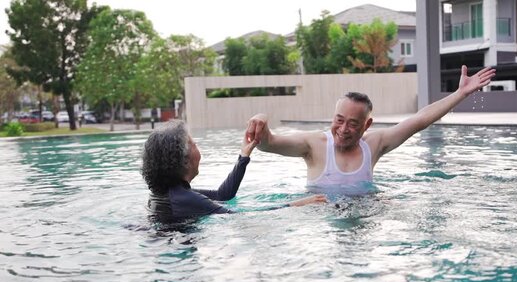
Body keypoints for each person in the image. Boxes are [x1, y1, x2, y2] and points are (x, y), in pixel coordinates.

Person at [245, 65, 496, 193]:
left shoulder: (374, 145)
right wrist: (261, 120)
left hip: (367, 216)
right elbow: (269, 143)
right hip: (320, 223)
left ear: (367, 125)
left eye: (353, 124)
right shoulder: (313, 145)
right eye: (339, 120)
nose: (343, 129)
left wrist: (460, 93)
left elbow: (420, 120)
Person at [141, 120, 325, 223]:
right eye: (193, 144)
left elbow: (223, 195)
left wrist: (244, 155)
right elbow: (241, 217)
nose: (198, 146)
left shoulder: (171, 194)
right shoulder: (184, 198)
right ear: (184, 160)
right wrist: (297, 204)